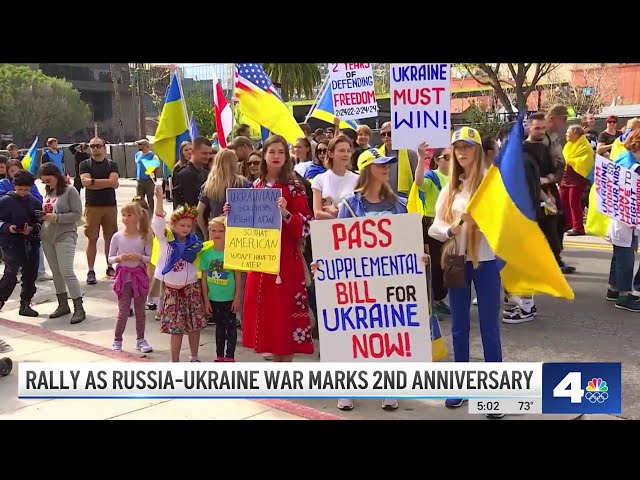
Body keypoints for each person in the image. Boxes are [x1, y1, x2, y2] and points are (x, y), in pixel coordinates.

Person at [428, 127, 504, 418]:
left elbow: (506, 223)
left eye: (468, 147)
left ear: (477, 151)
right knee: (459, 326)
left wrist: (487, 225)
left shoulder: (491, 185)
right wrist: (453, 228)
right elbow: (435, 228)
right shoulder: (450, 189)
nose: (462, 153)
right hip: (457, 261)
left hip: (486, 262)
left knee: (489, 327)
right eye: (457, 148)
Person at [333, 147, 410, 412]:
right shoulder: (348, 206)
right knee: (353, 334)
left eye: (387, 164)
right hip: (356, 282)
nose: (386, 168)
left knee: (387, 334)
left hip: (389, 281)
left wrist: (417, 259)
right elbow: (337, 245)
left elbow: (408, 244)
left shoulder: (399, 205)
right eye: (380, 165)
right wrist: (324, 264)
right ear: (367, 170)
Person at [235, 135, 314, 362]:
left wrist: (286, 213)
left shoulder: (294, 186)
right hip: (261, 262)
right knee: (268, 316)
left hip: (285, 264)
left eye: (281, 152)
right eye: (272, 152)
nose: (276, 156)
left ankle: (285, 370)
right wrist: (234, 212)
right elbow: (245, 227)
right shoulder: (256, 186)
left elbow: (305, 227)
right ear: (264, 155)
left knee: (284, 316)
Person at [152, 185, 207, 362]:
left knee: (194, 326)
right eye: (182, 225)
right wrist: (159, 199)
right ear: (173, 225)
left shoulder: (195, 242)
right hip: (173, 292)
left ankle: (194, 356)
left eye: (189, 226)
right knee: (176, 330)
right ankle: (174, 360)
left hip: (191, 289)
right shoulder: (165, 239)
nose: (186, 228)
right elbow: (158, 221)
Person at [39, 162, 85, 323]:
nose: (47, 183)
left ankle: (79, 307)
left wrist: (57, 218)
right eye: (44, 181)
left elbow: (77, 214)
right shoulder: (48, 192)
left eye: (49, 179)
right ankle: (62, 304)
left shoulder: (70, 191)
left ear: (56, 176)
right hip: (47, 235)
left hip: (65, 234)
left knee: (67, 271)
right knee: (56, 272)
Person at [109, 201, 153, 353]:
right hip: (123, 277)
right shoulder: (117, 236)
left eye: (129, 215)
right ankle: (117, 339)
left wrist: (139, 257)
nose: (125, 218)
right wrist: (119, 258)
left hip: (139, 277)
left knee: (140, 310)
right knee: (123, 311)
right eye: (123, 215)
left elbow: (150, 257)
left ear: (137, 217)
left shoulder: (144, 236)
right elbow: (110, 258)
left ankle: (140, 339)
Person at [412, 145, 451, 315]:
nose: (452, 161)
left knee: (451, 264)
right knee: (436, 265)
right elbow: (419, 183)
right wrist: (421, 158)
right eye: (447, 157)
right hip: (433, 226)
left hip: (452, 227)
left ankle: (442, 297)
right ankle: (435, 299)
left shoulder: (457, 177)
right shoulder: (432, 176)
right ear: (437, 160)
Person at [0, 171, 43, 317]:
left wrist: (31, 229)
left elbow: (40, 223)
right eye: (20, 189)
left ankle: (25, 304)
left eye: (26, 189)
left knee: (30, 274)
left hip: (30, 243)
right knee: (11, 273)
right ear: (14, 186)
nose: (23, 193)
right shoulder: (4, 202)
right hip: (10, 244)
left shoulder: (35, 202)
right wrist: (8, 227)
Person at [79, 137, 120, 284]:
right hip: (92, 207)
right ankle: (91, 270)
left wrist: (94, 181)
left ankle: (110, 267)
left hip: (110, 206)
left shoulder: (112, 164)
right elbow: (86, 183)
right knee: (92, 238)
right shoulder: (85, 164)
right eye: (92, 146)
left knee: (111, 238)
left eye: (98, 146)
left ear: (104, 147)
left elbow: (114, 182)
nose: (95, 148)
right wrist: (106, 183)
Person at [201, 216, 242, 362]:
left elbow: (238, 277)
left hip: (229, 299)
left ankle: (230, 355)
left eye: (221, 231)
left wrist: (237, 297)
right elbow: (204, 279)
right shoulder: (206, 253)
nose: (217, 234)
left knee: (231, 328)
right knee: (219, 328)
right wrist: (206, 300)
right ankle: (219, 355)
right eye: (213, 230)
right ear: (208, 232)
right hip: (214, 298)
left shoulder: (231, 252)